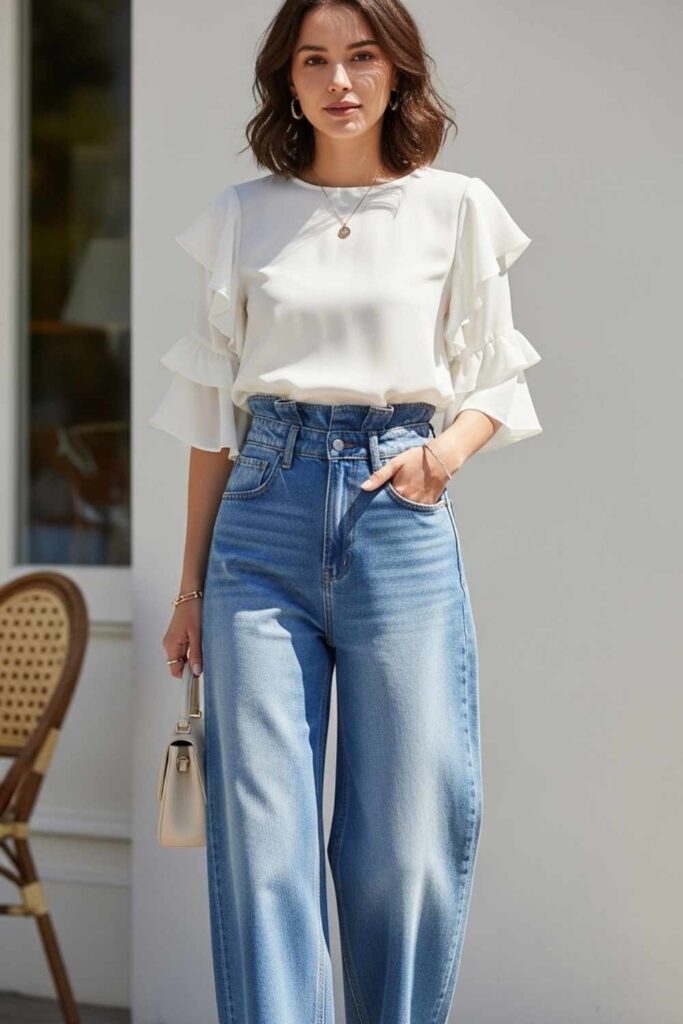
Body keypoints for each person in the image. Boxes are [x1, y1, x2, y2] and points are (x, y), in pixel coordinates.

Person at [149, 1, 542, 1020]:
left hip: (392, 515)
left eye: (361, 57)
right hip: (261, 518)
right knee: (265, 844)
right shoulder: (244, 215)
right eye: (314, 59)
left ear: (396, 71)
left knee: (406, 840)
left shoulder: (453, 208)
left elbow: (495, 383)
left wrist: (438, 458)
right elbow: (210, 418)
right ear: (287, 79)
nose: (339, 80)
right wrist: (189, 586)